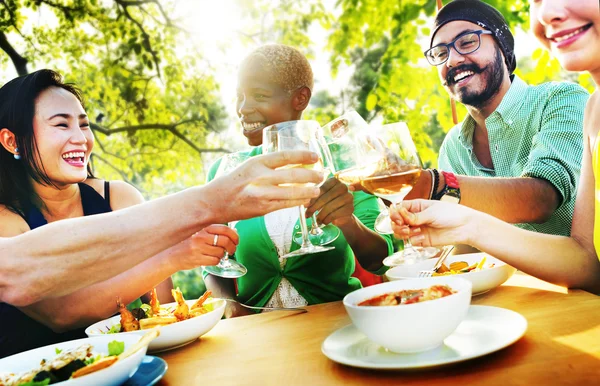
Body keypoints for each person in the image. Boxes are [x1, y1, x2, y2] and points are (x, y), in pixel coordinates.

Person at [0, 69, 324, 356]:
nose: (80, 138)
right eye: (61, 124)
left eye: (84, 124)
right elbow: (62, 313)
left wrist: (185, 253)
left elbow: (165, 312)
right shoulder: (6, 221)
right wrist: (181, 248)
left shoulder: (119, 197)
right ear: (12, 141)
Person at [390, 0, 600, 294]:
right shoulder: (453, 145)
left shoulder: (562, 100)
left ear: (502, 47)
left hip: (575, 300)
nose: (452, 60)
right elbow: (463, 250)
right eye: (440, 54)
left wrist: (434, 185)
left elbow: (541, 198)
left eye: (467, 42)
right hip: (514, 302)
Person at [204, 44, 394, 317]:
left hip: (335, 326)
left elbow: (381, 259)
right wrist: (229, 307)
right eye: (240, 96)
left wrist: (347, 222)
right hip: (257, 338)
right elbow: (213, 263)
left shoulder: (340, 161)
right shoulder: (226, 171)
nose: (243, 108)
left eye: (259, 95)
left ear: (300, 99)